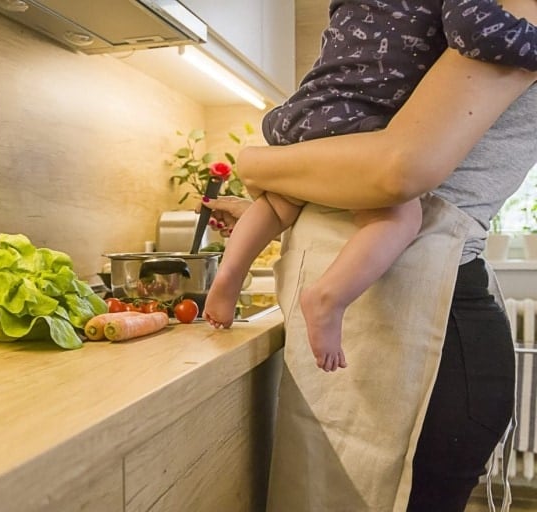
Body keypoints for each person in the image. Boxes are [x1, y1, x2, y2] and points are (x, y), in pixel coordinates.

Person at [200, 49, 536, 512]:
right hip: (392, 327)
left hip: (426, 338)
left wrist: (256, 162)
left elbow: (395, 171)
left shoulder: (505, 24)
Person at [201, 0, 537, 374]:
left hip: (307, 110)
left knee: (277, 204)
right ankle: (328, 298)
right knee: (399, 218)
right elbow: (473, 31)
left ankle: (230, 272)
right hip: (359, 118)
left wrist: (255, 164)